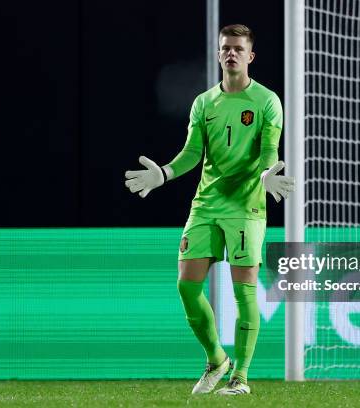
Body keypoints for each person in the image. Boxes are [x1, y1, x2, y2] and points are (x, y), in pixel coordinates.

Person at [125, 24, 294, 395]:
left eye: (237, 48)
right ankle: (217, 359)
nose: (230, 53)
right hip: (205, 205)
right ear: (219, 55)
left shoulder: (267, 101)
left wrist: (267, 174)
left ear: (250, 56)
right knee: (187, 286)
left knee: (244, 292)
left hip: (246, 206)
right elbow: (191, 154)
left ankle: (242, 378)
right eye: (225, 48)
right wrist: (165, 174)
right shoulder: (204, 103)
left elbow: (269, 150)